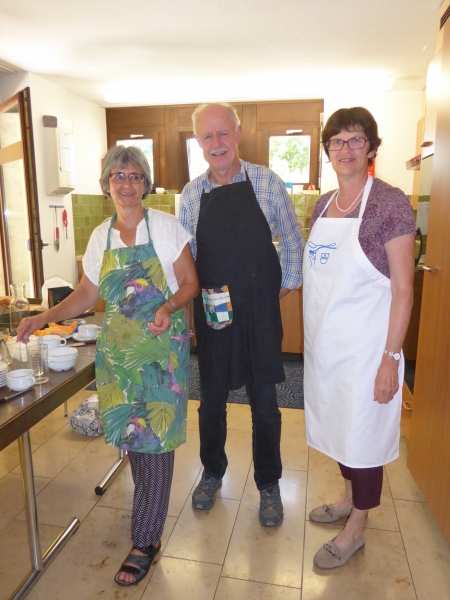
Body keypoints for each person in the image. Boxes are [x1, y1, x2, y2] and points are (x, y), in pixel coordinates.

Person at [17, 146, 199, 586]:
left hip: (160, 351)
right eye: (118, 176)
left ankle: (145, 540)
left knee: (156, 441)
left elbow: (190, 282)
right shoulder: (102, 236)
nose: (126, 183)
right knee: (135, 440)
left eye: (134, 176)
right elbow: (87, 294)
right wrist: (43, 317)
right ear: (106, 185)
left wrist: (168, 306)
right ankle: (148, 519)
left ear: (145, 183)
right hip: (119, 357)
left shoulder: (167, 227)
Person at [179, 102, 304, 527]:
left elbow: (292, 239)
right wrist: (189, 311)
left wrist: (282, 285)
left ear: (238, 133)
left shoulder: (266, 182)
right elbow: (187, 259)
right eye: (207, 136)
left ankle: (269, 483)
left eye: (223, 133)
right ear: (199, 142)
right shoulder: (191, 194)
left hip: (259, 309)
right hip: (215, 305)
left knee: (265, 403)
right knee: (211, 400)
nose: (216, 143)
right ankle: (212, 472)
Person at [303, 107, 415, 568]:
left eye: (355, 139)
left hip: (369, 349)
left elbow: (403, 289)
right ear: (327, 150)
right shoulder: (323, 204)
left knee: (363, 438)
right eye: (336, 141)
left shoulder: (390, 203)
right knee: (338, 429)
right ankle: (348, 499)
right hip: (328, 348)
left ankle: (357, 528)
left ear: (371, 147)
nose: (345, 149)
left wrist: (390, 358)